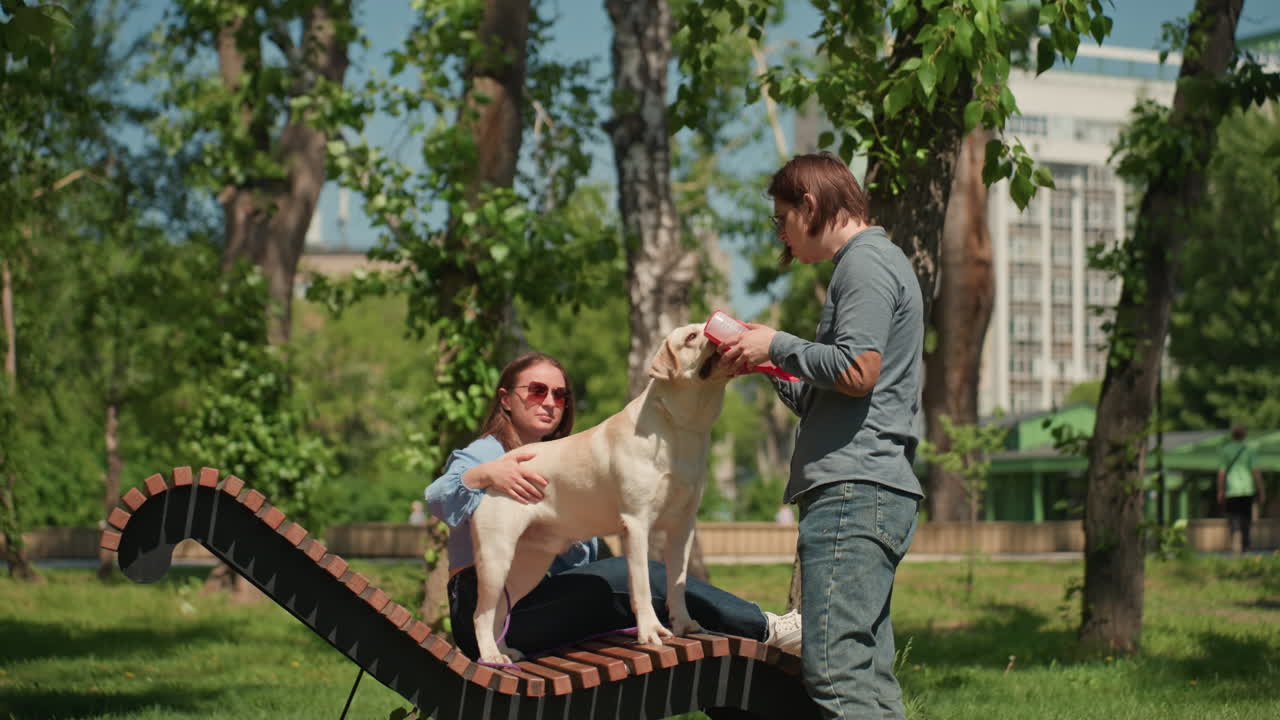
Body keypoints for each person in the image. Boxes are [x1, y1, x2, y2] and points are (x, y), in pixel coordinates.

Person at [716, 152, 924, 719]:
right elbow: (827, 391)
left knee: (834, 671)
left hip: (855, 490)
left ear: (810, 204)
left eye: (782, 219)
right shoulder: (870, 263)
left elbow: (857, 371)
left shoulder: (865, 263)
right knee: (868, 674)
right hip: (869, 487)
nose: (782, 236)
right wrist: (768, 361)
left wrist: (779, 343)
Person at [425, 350, 802, 661]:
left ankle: (739, 673)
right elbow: (437, 498)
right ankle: (767, 627)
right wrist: (485, 474)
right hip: (496, 609)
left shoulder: (567, 457)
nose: (551, 402)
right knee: (636, 577)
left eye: (561, 395)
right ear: (506, 399)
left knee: (694, 648)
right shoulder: (486, 452)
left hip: (548, 598)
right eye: (537, 390)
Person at [1217, 424, 1266, 554]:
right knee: (1246, 517)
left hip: (1231, 490)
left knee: (1233, 516)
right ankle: (1244, 543)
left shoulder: (1225, 450)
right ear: (1244, 435)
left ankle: (1235, 538)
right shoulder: (1250, 451)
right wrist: (1261, 491)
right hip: (1246, 490)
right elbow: (1256, 472)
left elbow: (1221, 473)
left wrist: (1220, 490)